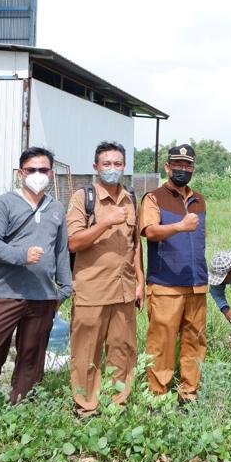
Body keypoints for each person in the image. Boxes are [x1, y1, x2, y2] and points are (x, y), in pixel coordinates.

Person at [0, 147, 72, 428]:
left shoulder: (56, 208)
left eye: (43, 170)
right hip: (5, 293)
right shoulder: (4, 203)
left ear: (51, 174)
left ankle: (21, 415)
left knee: (31, 359)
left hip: (42, 296)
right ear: (20, 173)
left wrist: (64, 289)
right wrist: (21, 255)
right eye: (31, 170)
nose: (37, 175)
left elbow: (61, 250)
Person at [67, 141, 144, 415]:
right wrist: (105, 222)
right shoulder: (82, 198)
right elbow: (74, 242)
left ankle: (117, 403)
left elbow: (135, 245)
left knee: (122, 348)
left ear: (124, 166)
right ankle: (86, 406)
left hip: (124, 289)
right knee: (87, 350)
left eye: (118, 164)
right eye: (107, 164)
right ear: (95, 167)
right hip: (92, 289)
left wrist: (140, 282)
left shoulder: (131, 197)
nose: (112, 169)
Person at [140, 144, 208, 401]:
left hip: (196, 284)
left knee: (195, 341)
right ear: (167, 167)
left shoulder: (199, 200)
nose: (182, 169)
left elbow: (201, 238)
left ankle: (189, 393)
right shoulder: (153, 197)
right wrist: (180, 226)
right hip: (165, 284)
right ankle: (158, 396)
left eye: (187, 165)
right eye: (177, 164)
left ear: (193, 168)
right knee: (162, 343)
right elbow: (150, 231)